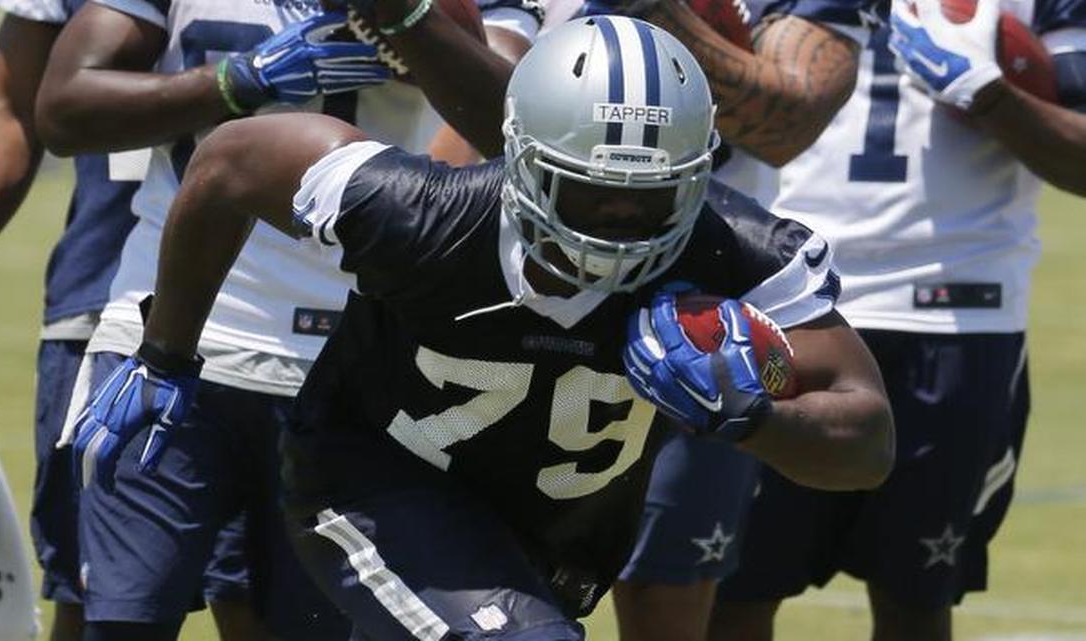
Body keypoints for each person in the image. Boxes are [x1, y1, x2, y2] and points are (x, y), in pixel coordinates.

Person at [72, 15, 895, 640]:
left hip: (552, 535)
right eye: (589, 190)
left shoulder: (739, 249)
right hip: (372, 487)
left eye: (647, 197)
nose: (618, 220)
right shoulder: (426, 215)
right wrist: (165, 357)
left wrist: (753, 415)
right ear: (525, 161)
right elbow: (231, 163)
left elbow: (867, 438)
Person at [34, 0, 541, 639]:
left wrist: (413, 24)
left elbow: (519, 129)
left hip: (344, 362)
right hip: (167, 337)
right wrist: (232, 82)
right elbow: (63, 109)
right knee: (118, 622)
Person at [710, 0, 1086, 638]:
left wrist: (987, 92)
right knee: (731, 593)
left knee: (917, 599)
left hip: (961, 310)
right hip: (785, 297)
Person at [535, 2, 866, 638]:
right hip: (530, 288)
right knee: (486, 591)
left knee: (670, 601)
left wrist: (660, 15)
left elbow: (787, 125)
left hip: (699, 305)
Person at [0, 2, 268, 639]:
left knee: (267, 603)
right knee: (102, 602)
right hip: (109, 298)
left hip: (302, 306)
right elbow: (13, 99)